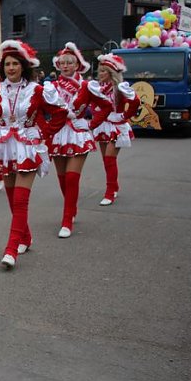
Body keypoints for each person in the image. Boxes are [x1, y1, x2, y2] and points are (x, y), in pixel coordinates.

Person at [0, 40, 68, 269]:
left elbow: (60, 112)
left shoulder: (37, 90)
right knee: (11, 198)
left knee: (21, 200)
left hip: (28, 148)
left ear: (23, 66)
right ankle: (25, 237)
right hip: (5, 148)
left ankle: (11, 248)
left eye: (15, 63)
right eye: (7, 64)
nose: (11, 68)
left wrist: (43, 133)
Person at [46, 43, 108, 238]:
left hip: (78, 133)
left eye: (69, 62)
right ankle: (71, 208)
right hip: (57, 132)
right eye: (62, 63)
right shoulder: (51, 87)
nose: (65, 66)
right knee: (62, 178)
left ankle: (67, 220)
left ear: (78, 65)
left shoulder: (87, 86)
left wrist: (91, 124)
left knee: (72, 177)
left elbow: (105, 106)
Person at [89, 54, 141, 206]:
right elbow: (92, 105)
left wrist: (124, 116)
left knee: (110, 159)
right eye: (99, 71)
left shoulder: (120, 88)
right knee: (106, 160)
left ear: (111, 73)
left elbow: (135, 102)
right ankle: (114, 186)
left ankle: (110, 192)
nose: (100, 74)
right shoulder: (97, 88)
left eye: (103, 71)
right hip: (102, 125)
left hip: (116, 125)